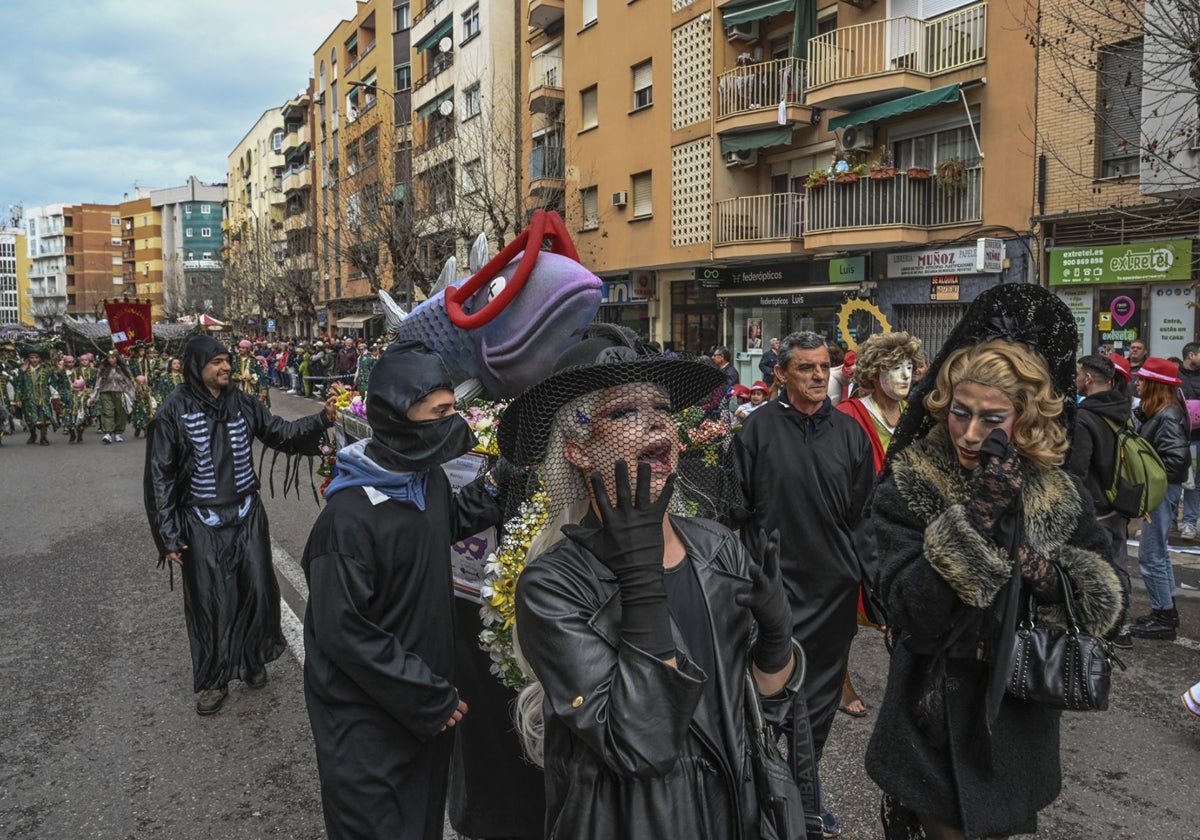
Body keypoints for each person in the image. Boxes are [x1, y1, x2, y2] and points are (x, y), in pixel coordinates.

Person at [501, 325, 804, 840]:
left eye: (662, 409)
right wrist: (640, 579)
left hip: (738, 815)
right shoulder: (552, 587)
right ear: (577, 449)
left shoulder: (717, 547)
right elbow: (642, 746)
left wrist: (775, 643)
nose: (655, 424)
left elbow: (765, 711)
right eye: (623, 412)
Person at [865, 285, 1123, 840]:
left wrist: (1045, 573)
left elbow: (1107, 600)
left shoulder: (1056, 492)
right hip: (930, 721)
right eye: (960, 412)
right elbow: (908, 609)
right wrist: (975, 521)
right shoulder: (912, 485)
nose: (971, 432)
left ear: (1027, 417)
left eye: (992, 418)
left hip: (1017, 725)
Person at [302, 341, 509, 840]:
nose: (453, 423)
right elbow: (345, 633)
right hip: (369, 732)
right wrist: (427, 695)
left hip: (423, 716)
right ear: (398, 415)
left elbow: (447, 522)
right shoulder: (347, 521)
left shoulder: (424, 480)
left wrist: (503, 482)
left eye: (454, 410)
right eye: (440, 412)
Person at [144, 334, 337, 715]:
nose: (226, 367)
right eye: (216, 362)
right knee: (209, 601)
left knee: (257, 592)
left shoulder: (243, 402)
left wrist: (323, 418)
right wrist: (167, 534)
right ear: (197, 367)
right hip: (201, 521)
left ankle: (253, 661)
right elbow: (159, 477)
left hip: (248, 514)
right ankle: (214, 680)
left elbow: (281, 433)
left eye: (227, 360)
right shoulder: (172, 411)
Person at [734, 330, 875, 836]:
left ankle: (803, 798)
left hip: (833, 591)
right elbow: (738, 510)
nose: (818, 376)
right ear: (781, 374)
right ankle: (766, 796)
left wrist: (871, 586)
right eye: (806, 368)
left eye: (823, 367)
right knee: (768, 702)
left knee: (816, 704)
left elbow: (864, 516)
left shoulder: (850, 434)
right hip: (772, 592)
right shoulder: (755, 430)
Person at [835, 331, 925, 719]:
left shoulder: (914, 416)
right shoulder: (848, 415)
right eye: (894, 368)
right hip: (857, 526)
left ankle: (909, 688)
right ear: (874, 372)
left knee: (907, 609)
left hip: (903, 528)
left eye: (908, 367)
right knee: (844, 611)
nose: (904, 376)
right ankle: (840, 681)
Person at [1070, 354, 1135, 648]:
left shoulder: (1085, 417)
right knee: (1119, 563)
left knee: (1097, 569)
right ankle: (1122, 625)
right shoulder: (1122, 409)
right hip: (1119, 500)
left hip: (1095, 507)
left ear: (1087, 378)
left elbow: (1077, 471)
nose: (1074, 378)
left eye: (1077, 373)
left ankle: (1107, 625)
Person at [1129, 356, 1189, 641]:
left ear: (1155, 385)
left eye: (1142, 380)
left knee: (1150, 554)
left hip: (1162, 492)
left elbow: (1177, 460)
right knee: (1158, 553)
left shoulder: (1167, 416)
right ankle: (1165, 611)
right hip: (1162, 491)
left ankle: (1163, 617)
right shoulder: (1162, 413)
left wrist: (1150, 476)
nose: (1136, 383)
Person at [12, 346, 63, 446]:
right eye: (32, 357)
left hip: (42, 397)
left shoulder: (47, 369)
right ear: (28, 359)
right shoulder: (23, 370)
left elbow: (53, 382)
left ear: (40, 358)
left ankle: (43, 438)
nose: (34, 360)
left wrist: (56, 395)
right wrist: (17, 398)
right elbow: (19, 384)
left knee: (44, 418)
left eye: (36, 357)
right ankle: (33, 435)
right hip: (28, 398)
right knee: (30, 419)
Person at [1176, 342, 1200, 541]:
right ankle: (1171, 519)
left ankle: (1189, 522)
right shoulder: (1176, 376)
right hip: (1179, 435)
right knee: (1176, 479)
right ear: (1191, 355)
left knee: (1196, 482)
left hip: (1198, 438)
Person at [94, 351, 135, 444]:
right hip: (105, 392)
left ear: (117, 358)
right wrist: (94, 395)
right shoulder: (103, 368)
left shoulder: (122, 368)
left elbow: (129, 381)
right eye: (109, 358)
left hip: (120, 392)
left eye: (113, 357)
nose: (111, 359)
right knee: (108, 411)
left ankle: (118, 433)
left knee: (120, 412)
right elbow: (98, 382)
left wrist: (132, 394)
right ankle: (108, 433)